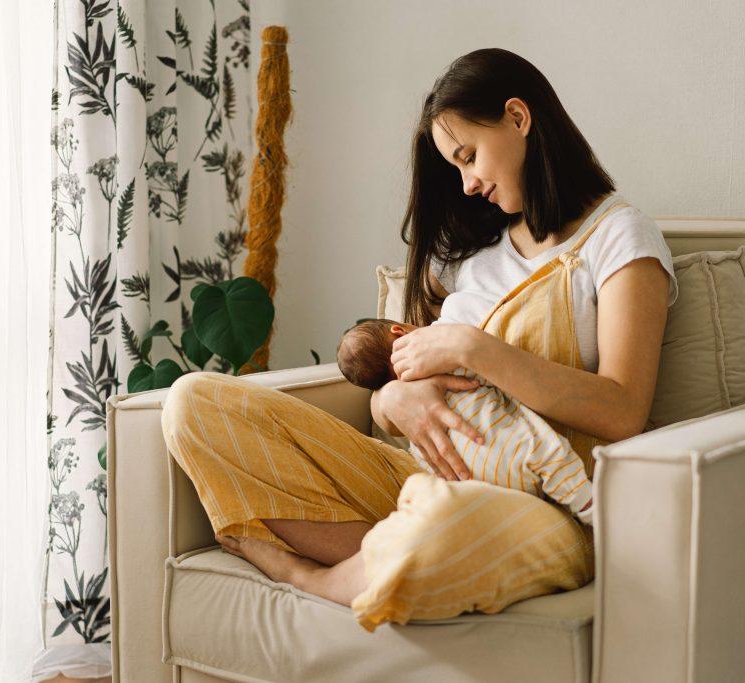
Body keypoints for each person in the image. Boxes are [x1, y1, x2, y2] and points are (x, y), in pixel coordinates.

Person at [160, 47, 678, 630]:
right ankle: (391, 551)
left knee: (443, 526)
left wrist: (475, 349)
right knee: (193, 403)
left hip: (543, 506)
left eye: (469, 157)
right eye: (455, 168)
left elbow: (624, 408)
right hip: (420, 477)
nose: (467, 183)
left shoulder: (619, 238)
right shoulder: (473, 253)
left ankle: (315, 574)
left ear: (518, 117)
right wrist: (391, 401)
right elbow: (394, 360)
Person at [335, 308, 595, 524]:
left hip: (469, 483)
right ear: (400, 331)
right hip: (510, 451)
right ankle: (588, 505)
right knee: (546, 453)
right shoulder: (439, 355)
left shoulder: (409, 411)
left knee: (426, 457)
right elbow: (490, 373)